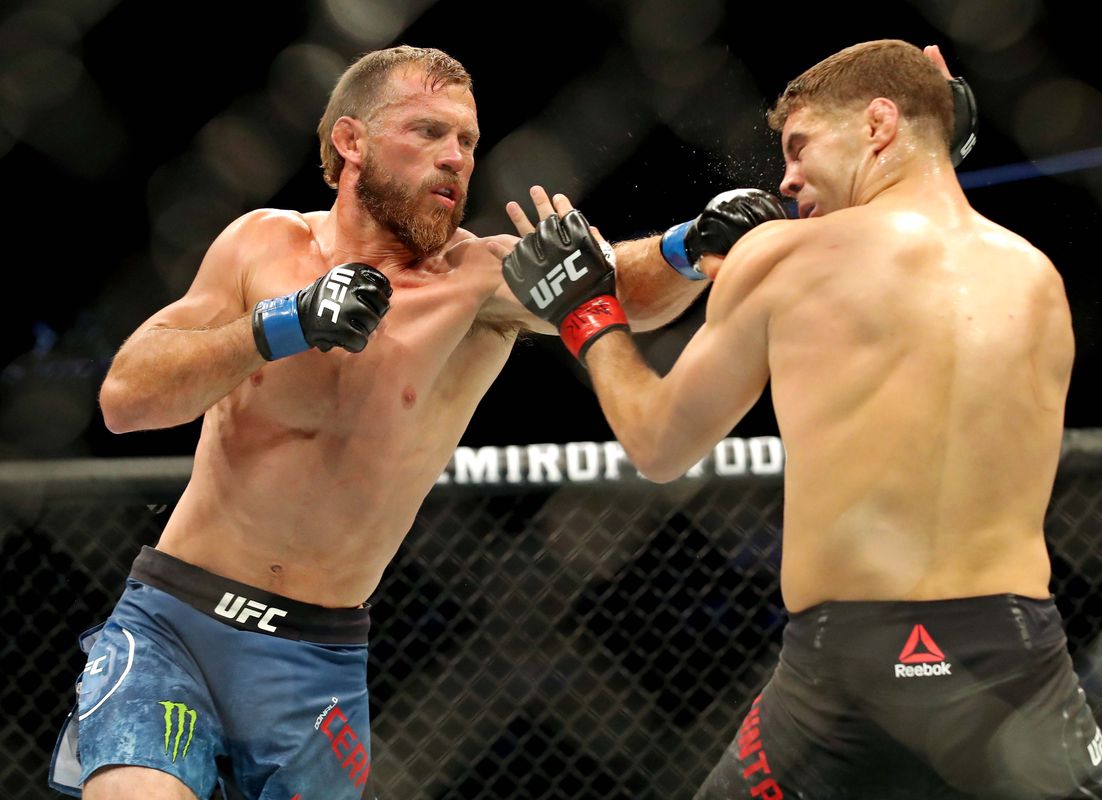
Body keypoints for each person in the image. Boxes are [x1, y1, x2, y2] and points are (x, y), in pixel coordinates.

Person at [47, 45, 782, 800]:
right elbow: (126, 398)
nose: (455, 158)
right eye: (428, 131)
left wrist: (690, 245)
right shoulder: (262, 244)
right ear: (352, 140)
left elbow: (616, 288)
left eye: (467, 140)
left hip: (316, 661)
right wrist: (285, 323)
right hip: (178, 626)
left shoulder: (479, 280)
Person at [501, 40, 1102, 799]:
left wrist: (585, 310)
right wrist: (936, 124)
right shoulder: (1035, 275)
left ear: (878, 124)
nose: (787, 180)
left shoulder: (786, 256)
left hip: (848, 672)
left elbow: (659, 445)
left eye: (800, 147)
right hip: (1012, 665)